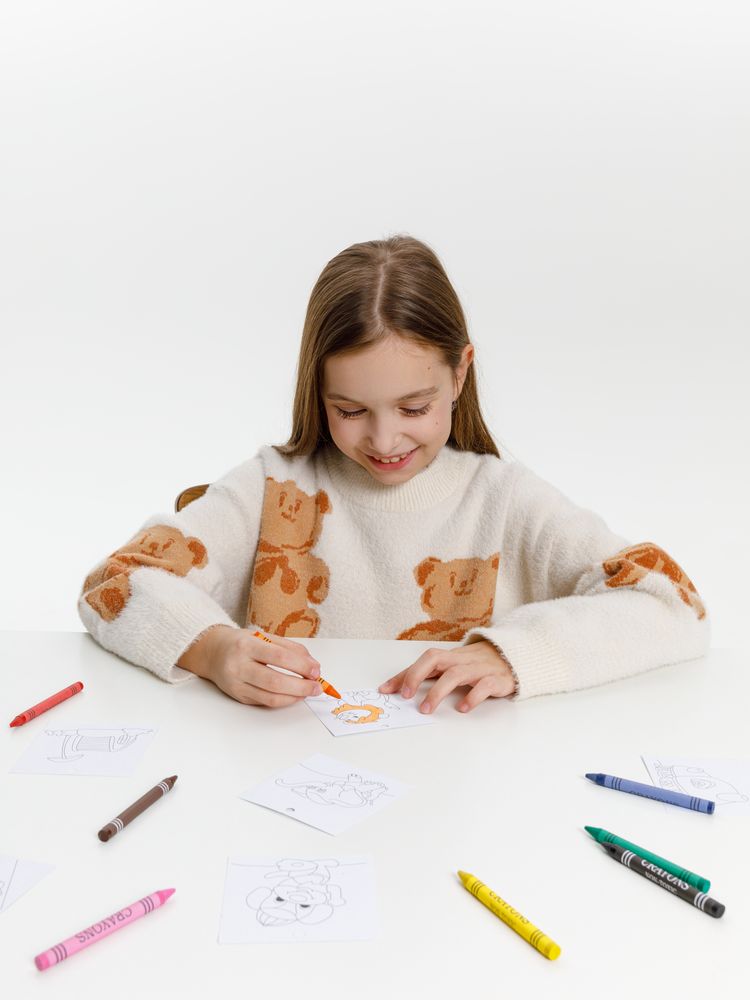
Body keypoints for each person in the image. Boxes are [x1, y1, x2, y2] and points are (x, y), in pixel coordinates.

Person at [78, 235, 709, 714]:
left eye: (413, 408)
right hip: (285, 787)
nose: (384, 441)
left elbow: (673, 605)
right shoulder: (272, 489)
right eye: (350, 411)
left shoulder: (504, 499)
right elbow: (115, 581)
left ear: (459, 374)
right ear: (316, 389)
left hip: (467, 794)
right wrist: (213, 649)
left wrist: (512, 654)